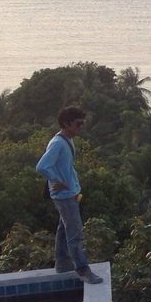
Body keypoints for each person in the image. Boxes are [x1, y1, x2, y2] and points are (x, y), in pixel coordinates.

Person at [36, 106, 103, 284]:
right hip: (64, 195)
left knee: (63, 229)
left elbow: (65, 166)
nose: (81, 127)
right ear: (66, 124)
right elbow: (41, 166)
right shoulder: (58, 143)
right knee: (75, 234)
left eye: (82, 124)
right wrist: (56, 180)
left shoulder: (67, 139)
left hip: (69, 193)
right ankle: (83, 270)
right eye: (78, 124)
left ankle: (62, 263)